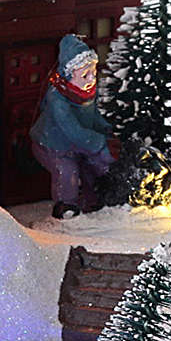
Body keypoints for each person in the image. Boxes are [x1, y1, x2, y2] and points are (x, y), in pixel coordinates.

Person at [28, 34, 114, 217]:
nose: (91, 78)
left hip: (80, 141)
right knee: (67, 170)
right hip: (53, 144)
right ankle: (66, 206)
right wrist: (98, 142)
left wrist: (106, 129)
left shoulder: (88, 91)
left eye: (93, 72)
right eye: (85, 75)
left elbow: (93, 116)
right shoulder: (58, 99)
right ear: (69, 75)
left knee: (94, 163)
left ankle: (97, 199)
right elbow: (72, 129)